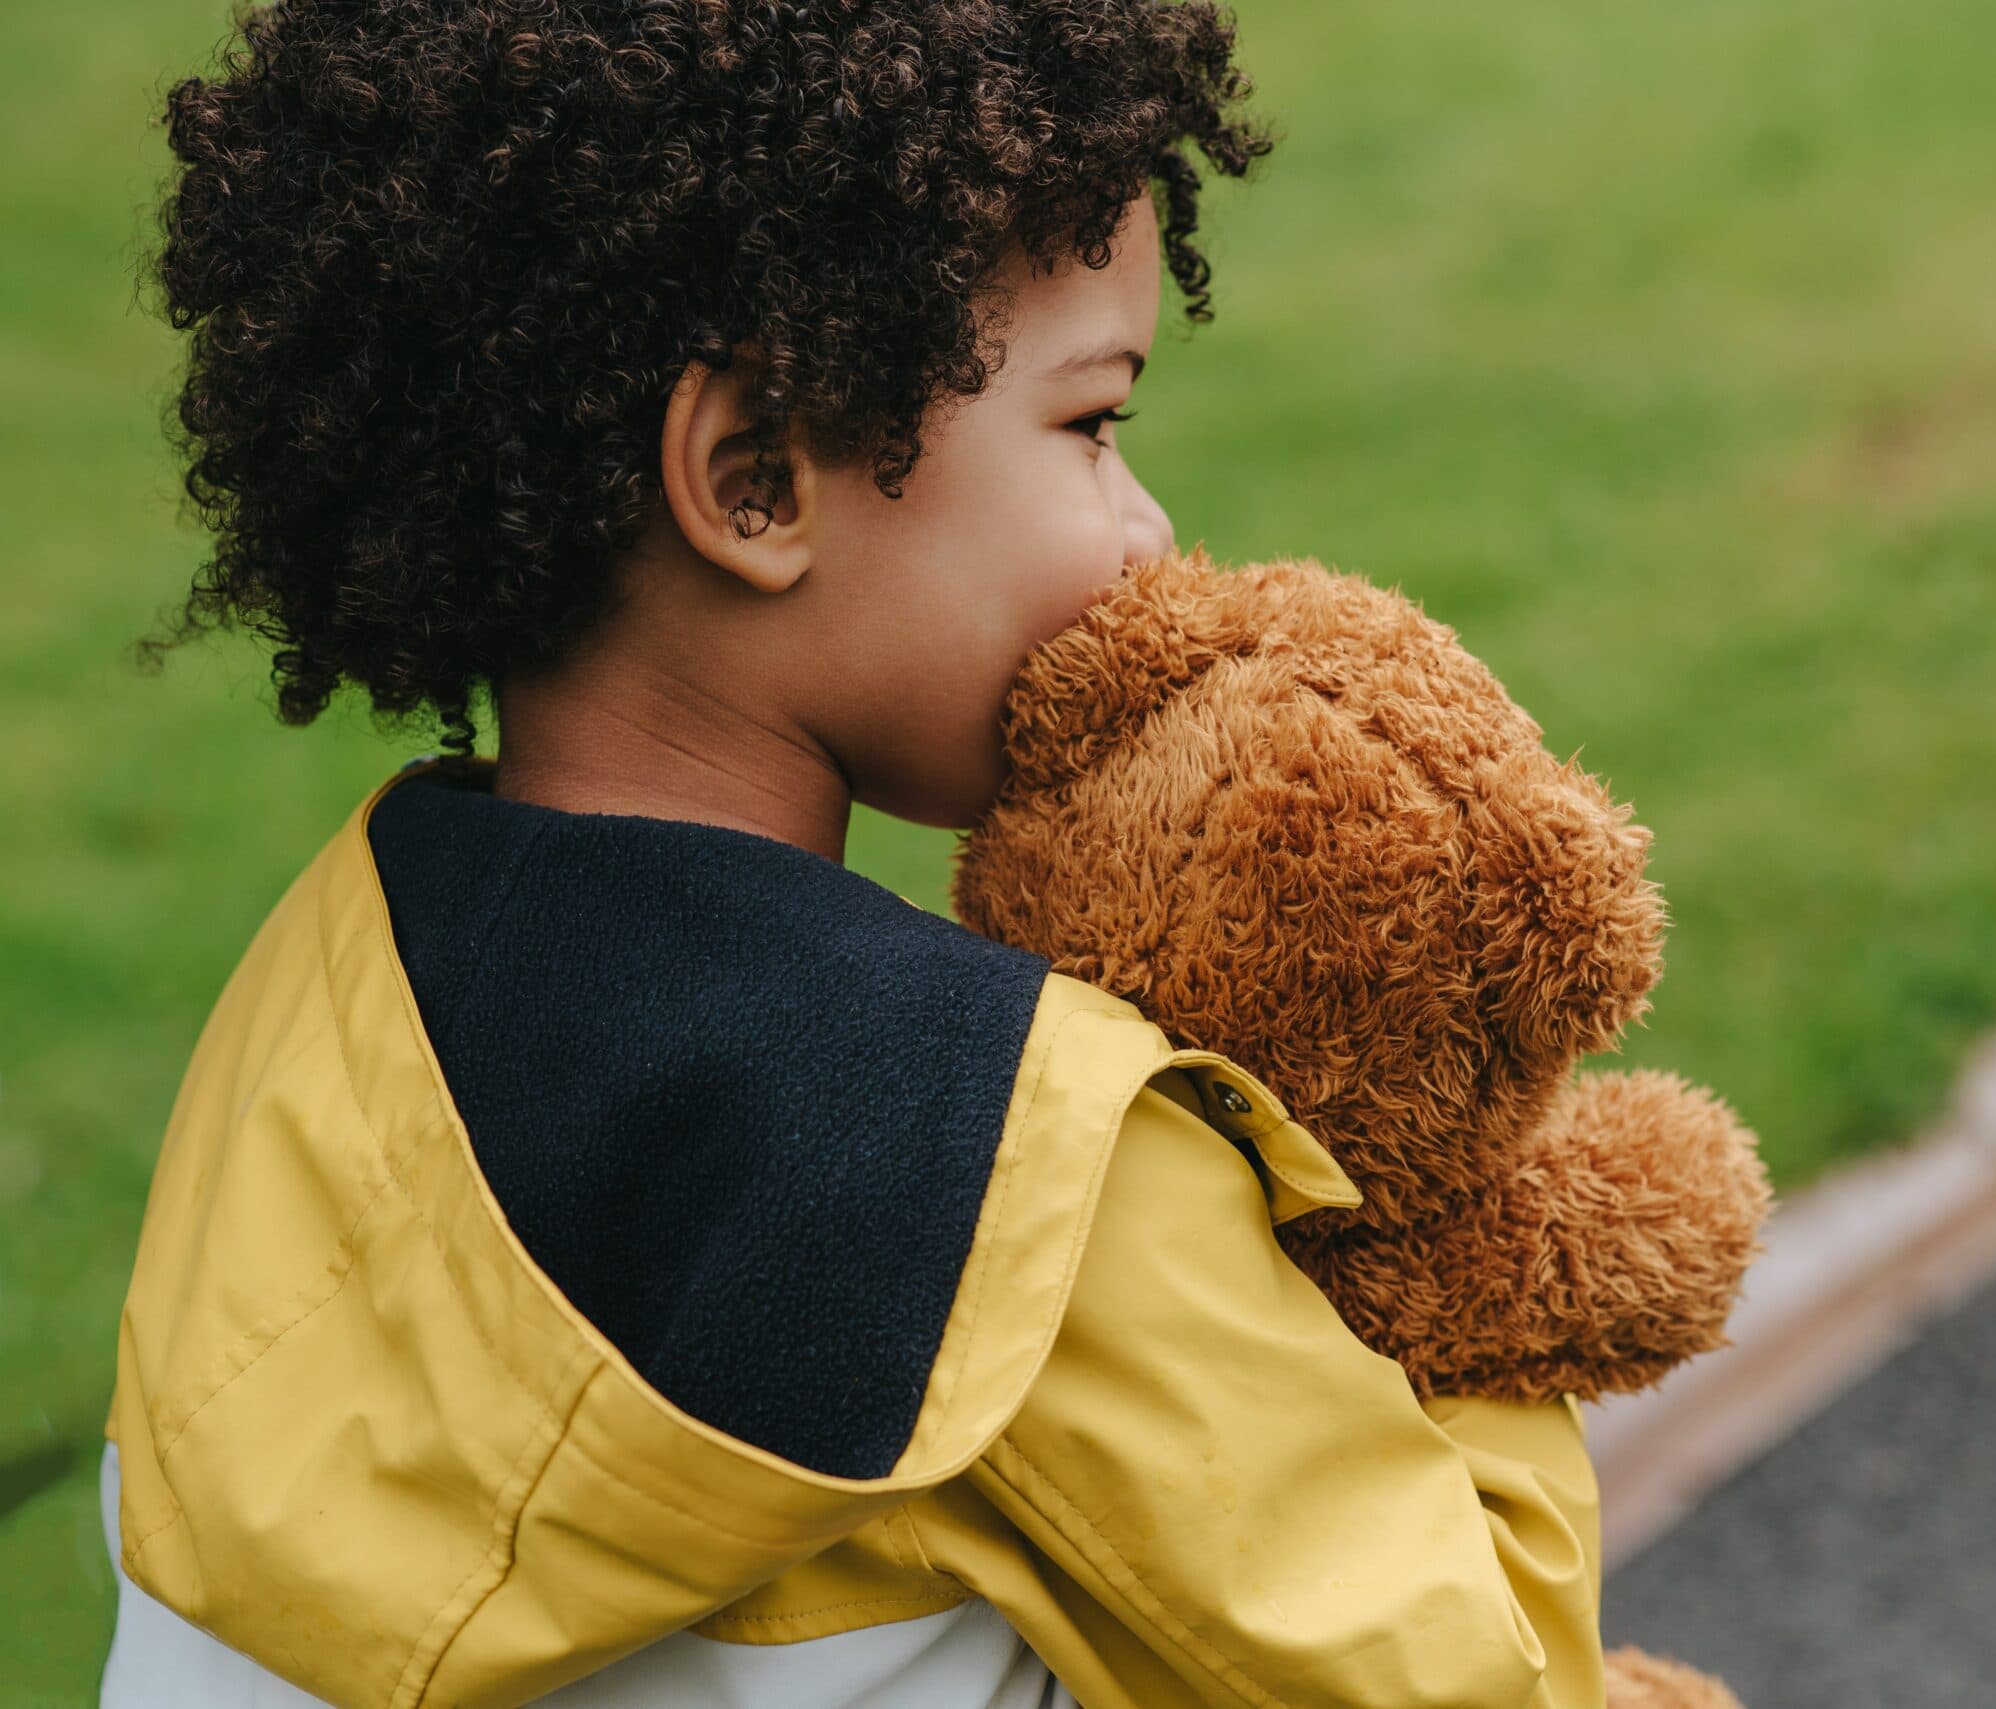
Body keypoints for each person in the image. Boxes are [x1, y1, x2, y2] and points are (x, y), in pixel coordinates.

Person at [97, 2, 1608, 1706]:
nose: (1146, 524)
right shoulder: (1021, 1163)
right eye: (1090, 423)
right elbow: (1481, 1681)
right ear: (755, 483)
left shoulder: (318, 1010)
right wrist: (1464, 1247)